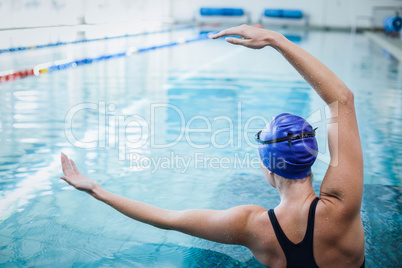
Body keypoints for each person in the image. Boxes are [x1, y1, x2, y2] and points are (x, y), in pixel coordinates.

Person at [60, 25, 365, 267]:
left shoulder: (252, 227)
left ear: (268, 168)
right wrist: (275, 39)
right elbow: (341, 99)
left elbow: (167, 219)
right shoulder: (341, 207)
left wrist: (96, 190)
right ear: (310, 159)